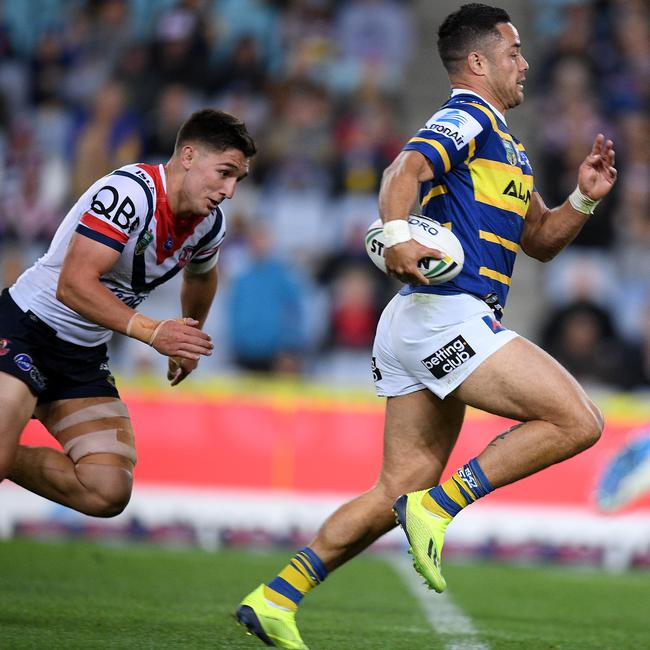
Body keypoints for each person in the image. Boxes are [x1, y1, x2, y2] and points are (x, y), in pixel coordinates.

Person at [235, 4, 617, 649]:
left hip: (424, 322)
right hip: (447, 313)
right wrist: (394, 235)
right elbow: (402, 172)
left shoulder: (508, 146)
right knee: (578, 421)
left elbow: (543, 241)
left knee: (399, 483)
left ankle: (277, 597)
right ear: (478, 62)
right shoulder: (466, 115)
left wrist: (583, 197)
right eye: (513, 51)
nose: (525, 62)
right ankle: (439, 508)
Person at [0, 108, 256, 517]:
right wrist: (153, 332)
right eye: (224, 173)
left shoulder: (209, 224)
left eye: (237, 180)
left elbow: (202, 277)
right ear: (188, 157)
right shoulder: (130, 193)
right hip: (25, 329)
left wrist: (187, 338)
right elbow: (74, 284)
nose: (229, 191)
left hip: (81, 357)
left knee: (106, 490)